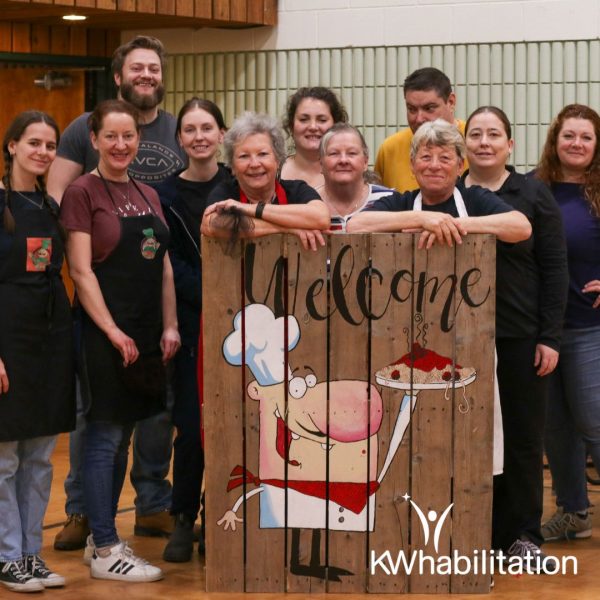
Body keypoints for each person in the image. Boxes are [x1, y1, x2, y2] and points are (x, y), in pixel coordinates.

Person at [48, 35, 185, 551]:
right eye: (113, 137)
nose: (123, 144)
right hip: (105, 319)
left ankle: (149, 506)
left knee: (148, 418)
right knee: (99, 425)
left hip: (149, 320)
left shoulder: (155, 173)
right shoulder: (82, 170)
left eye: (154, 67)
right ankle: (89, 520)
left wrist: (168, 323)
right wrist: (109, 326)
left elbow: (164, 259)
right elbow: (76, 255)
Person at [461, 106, 568, 568]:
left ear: (511, 144)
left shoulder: (533, 193)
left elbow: (554, 267)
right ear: (464, 144)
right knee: (471, 438)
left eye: (494, 135)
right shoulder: (450, 193)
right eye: (476, 134)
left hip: (520, 335)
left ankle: (522, 534)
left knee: (523, 438)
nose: (484, 142)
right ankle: (475, 530)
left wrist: (550, 336)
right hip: (460, 339)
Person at [0, 111, 75, 592]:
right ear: (11, 147)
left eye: (50, 144)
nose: (43, 151)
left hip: (50, 339)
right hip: (9, 339)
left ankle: (31, 553)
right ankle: (7, 555)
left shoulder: (50, 205)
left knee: (41, 457)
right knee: (5, 458)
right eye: (33, 143)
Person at [155, 98, 229, 562]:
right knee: (191, 424)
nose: (199, 136)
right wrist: (211, 292)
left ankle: (217, 513)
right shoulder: (162, 194)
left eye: (207, 127)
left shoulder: (240, 184)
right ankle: (182, 517)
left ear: (221, 133)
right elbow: (168, 262)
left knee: (238, 425)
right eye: (189, 129)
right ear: (179, 139)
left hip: (245, 322)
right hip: (193, 318)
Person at [536, 104, 600, 542]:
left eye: (586, 137)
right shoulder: (534, 188)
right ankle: (573, 510)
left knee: (593, 420)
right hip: (543, 328)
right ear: (555, 140)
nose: (576, 144)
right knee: (555, 427)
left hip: (587, 325)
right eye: (569, 136)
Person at [348, 119, 531, 246]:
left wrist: (452, 225)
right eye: (426, 157)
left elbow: (520, 227)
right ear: (412, 165)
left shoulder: (474, 198)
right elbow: (355, 225)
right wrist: (423, 219)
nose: (434, 166)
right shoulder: (401, 202)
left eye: (444, 158)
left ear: (460, 166)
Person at [202, 111, 329, 249]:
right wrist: (287, 229)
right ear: (232, 166)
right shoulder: (226, 192)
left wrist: (248, 209)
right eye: (244, 156)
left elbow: (321, 218)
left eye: (262, 154)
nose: (255, 164)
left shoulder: (296, 190)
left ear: (278, 159)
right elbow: (211, 225)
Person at [374, 67, 467, 193]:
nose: (419, 119)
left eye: (429, 108)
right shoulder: (389, 149)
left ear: (451, 102)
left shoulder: (475, 142)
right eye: (412, 109)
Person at [319, 123, 402, 231]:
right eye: (334, 153)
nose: (343, 160)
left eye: (352, 153)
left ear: (365, 162)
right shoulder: (306, 202)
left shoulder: (391, 200)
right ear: (321, 164)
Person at [280, 86, 348, 192]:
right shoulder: (274, 172)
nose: (313, 127)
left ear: (336, 125)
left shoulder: (349, 171)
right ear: (291, 126)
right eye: (304, 119)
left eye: (322, 120)